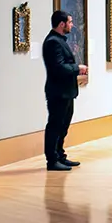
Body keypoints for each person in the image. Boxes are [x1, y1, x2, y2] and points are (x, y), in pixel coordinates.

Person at [43, 10, 86, 172]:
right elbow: (58, 68)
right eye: (70, 22)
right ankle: (52, 160)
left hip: (66, 92)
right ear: (62, 24)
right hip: (58, 92)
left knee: (63, 126)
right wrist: (78, 68)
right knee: (55, 126)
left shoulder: (59, 40)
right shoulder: (53, 42)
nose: (72, 24)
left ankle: (60, 155)